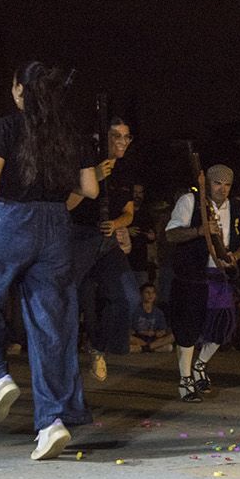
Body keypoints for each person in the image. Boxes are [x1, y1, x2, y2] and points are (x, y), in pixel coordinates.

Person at [0, 60, 99, 460]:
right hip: (56, 225)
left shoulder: (5, 127)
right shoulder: (70, 133)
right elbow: (90, 189)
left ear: (20, 89)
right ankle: (52, 422)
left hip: (11, 220)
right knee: (52, 326)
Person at [164, 164, 240, 401]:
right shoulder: (190, 201)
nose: (222, 189)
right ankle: (185, 380)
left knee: (223, 325)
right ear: (207, 183)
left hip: (219, 276)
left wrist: (235, 256)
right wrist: (199, 230)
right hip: (192, 275)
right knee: (188, 327)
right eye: (217, 183)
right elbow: (171, 233)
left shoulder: (237, 207)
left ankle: (200, 365)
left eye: (227, 185)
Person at [66, 115, 140, 384]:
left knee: (129, 298)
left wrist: (116, 224)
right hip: (79, 238)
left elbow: (129, 213)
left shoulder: (125, 171)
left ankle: (98, 348)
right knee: (70, 300)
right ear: (102, 138)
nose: (122, 141)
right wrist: (93, 178)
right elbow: (66, 205)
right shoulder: (84, 163)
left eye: (126, 136)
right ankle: (61, 359)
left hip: (106, 241)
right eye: (116, 136)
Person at [129, 283, 174, 353]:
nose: (151, 295)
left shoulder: (159, 312)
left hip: (153, 339)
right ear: (141, 294)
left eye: (153, 293)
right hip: (139, 338)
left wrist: (157, 333)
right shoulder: (135, 311)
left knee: (172, 337)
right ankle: (150, 348)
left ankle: (144, 348)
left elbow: (163, 330)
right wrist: (141, 332)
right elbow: (130, 330)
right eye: (147, 292)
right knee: (126, 337)